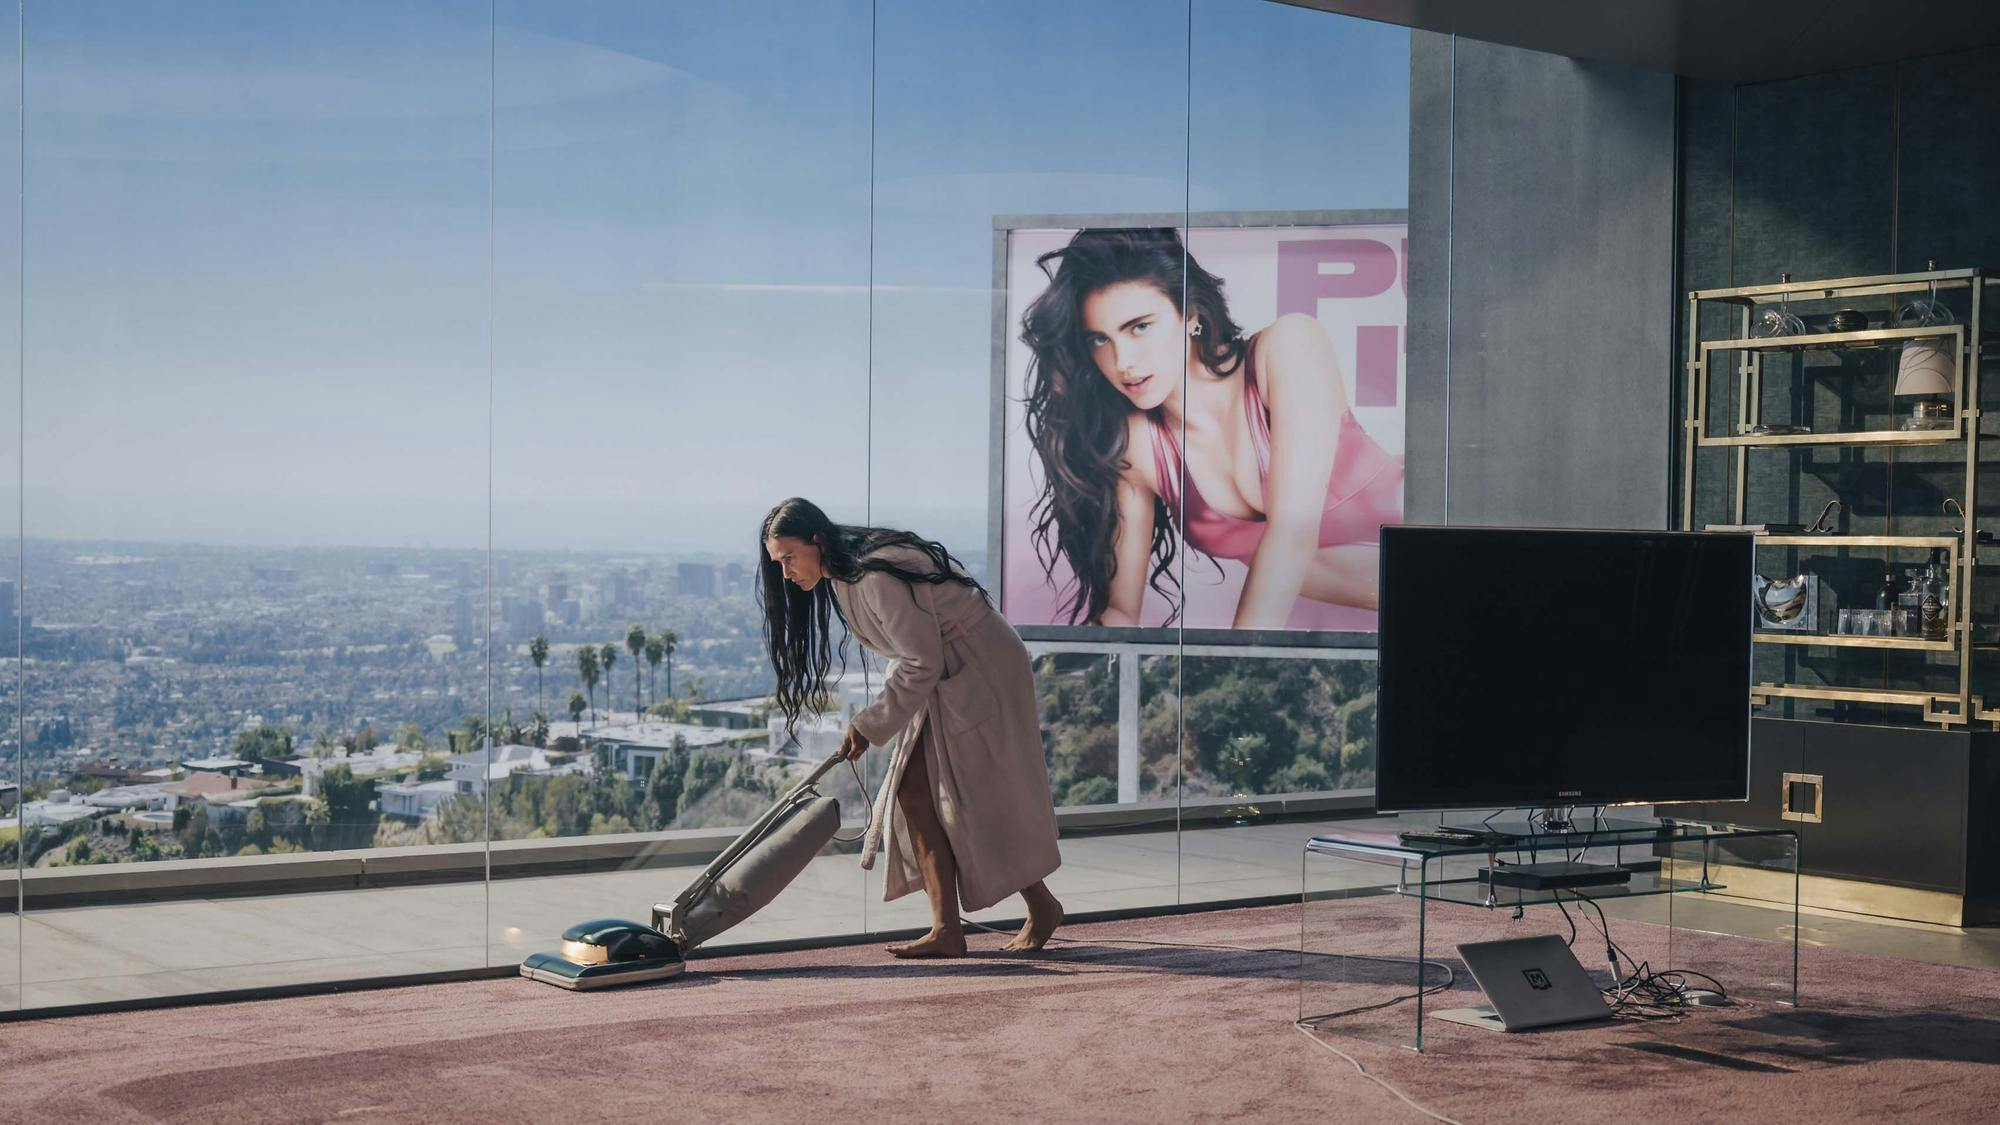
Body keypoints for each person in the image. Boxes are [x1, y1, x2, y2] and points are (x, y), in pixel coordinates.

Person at [1020, 227, 1404, 629]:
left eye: (1140, 327)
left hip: (1444, 549)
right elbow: (1121, 611)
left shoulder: (1288, 349)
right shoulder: (1139, 448)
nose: (1122, 361)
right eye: (1100, 339)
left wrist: (1238, 660)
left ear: (1190, 315)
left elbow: (1293, 536)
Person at [758, 497, 1064, 958]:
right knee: (922, 791)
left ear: (815, 541)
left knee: (965, 794)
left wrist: (869, 723)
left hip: (980, 669)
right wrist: (874, 722)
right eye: (777, 562)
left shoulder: (872, 577)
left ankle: (990, 919)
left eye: (788, 558)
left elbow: (921, 659)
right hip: (948, 674)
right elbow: (918, 657)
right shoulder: (845, 576)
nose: (786, 573)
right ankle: (963, 925)